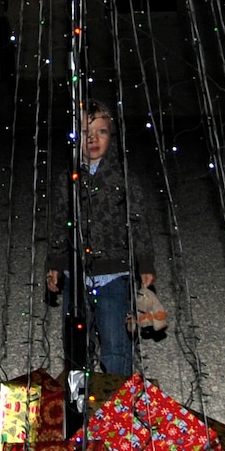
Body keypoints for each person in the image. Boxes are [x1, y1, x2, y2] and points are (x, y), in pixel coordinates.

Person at [46, 102, 157, 377]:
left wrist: (145, 262)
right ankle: (78, 398)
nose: (93, 139)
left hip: (114, 275)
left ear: (113, 137)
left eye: (101, 131)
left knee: (115, 343)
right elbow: (60, 222)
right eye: (85, 132)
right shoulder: (67, 180)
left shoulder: (123, 178)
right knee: (76, 343)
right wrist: (55, 263)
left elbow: (138, 221)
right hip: (77, 275)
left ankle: (118, 398)